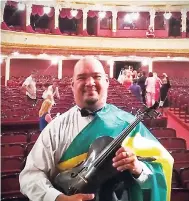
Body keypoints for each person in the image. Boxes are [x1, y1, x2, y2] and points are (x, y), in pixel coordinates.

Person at [19, 57, 173, 201]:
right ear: (72, 85)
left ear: (107, 82)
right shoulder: (56, 128)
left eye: (96, 76)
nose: (90, 82)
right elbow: (30, 175)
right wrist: (56, 197)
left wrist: (138, 168)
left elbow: (161, 167)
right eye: (82, 78)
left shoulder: (129, 123)